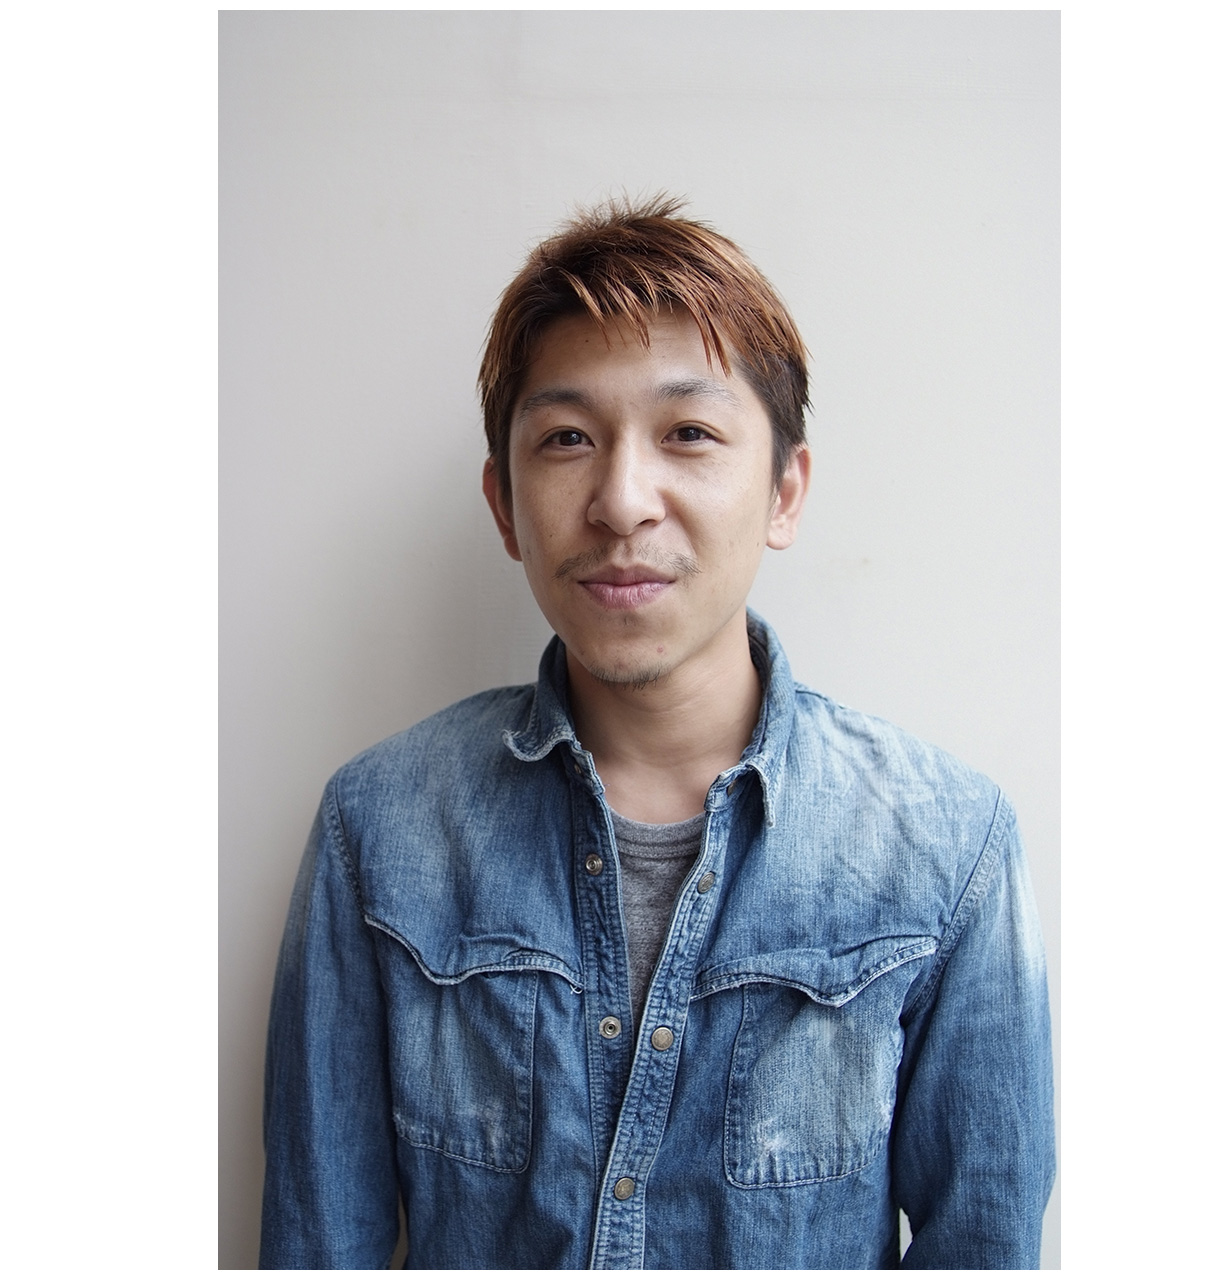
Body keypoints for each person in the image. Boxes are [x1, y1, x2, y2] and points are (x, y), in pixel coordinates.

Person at [259, 195, 1055, 1269]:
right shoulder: (382, 825)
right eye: (567, 439)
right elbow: (318, 1246)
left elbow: (984, 1247)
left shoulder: (947, 843)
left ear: (784, 491)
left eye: (688, 433)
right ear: (504, 505)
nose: (622, 500)